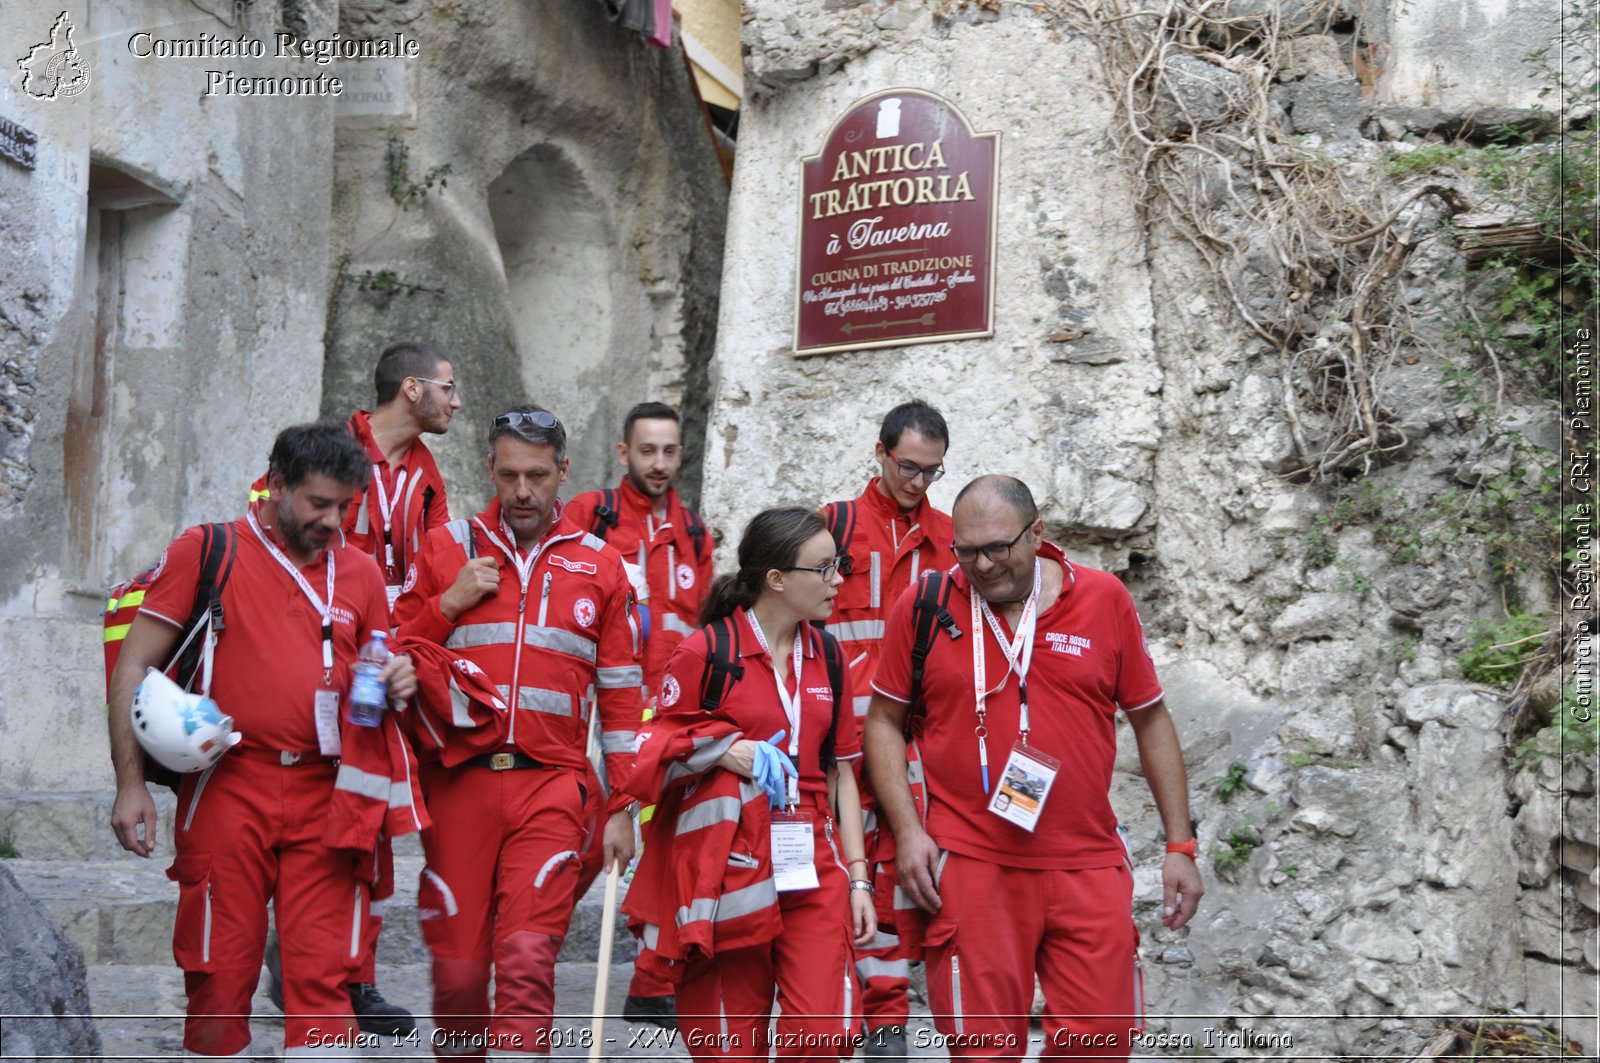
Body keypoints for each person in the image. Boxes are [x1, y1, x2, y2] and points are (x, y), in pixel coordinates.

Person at [863, 476, 1204, 1061]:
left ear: (1037, 532)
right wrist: (910, 829)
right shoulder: (924, 605)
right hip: (974, 865)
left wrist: (1181, 843)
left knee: (1101, 1047)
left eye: (999, 547)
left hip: (1087, 863)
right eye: (966, 551)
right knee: (984, 1052)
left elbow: (1151, 720)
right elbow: (882, 723)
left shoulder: (1103, 598)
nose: (984, 565)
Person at [108, 422, 421, 1058]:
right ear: (277, 485)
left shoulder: (359, 573)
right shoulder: (207, 549)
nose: (333, 520)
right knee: (218, 973)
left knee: (324, 981)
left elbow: (379, 665)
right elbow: (132, 667)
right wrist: (131, 783)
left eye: (345, 507)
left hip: (328, 793)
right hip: (229, 784)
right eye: (318, 503)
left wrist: (399, 678)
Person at [393, 404, 642, 1058]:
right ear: (489, 471)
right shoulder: (447, 549)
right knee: (458, 973)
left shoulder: (602, 567)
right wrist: (448, 604)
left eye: (537, 475)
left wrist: (623, 804)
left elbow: (619, 697)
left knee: (529, 956)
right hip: (457, 790)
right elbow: (389, 659)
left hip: (552, 788)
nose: (523, 491)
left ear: (564, 472)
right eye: (509, 476)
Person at [619, 506, 876, 1061]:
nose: (839, 580)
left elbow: (844, 775)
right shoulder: (706, 652)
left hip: (812, 857)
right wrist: (720, 750)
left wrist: (859, 880)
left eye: (841, 564)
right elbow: (647, 755)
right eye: (825, 568)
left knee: (822, 1038)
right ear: (777, 580)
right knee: (729, 1045)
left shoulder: (830, 655)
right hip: (727, 860)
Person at [253, 340, 458, 1035]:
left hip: (386, 664)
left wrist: (417, 639)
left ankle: (353, 974)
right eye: (446, 388)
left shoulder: (428, 476)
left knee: (370, 822)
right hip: (322, 660)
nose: (455, 402)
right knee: (330, 823)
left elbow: (432, 580)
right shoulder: (327, 453)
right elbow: (270, 547)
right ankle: (312, 961)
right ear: (411, 389)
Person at [565, 400, 714, 1027]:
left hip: (666, 715)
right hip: (599, 709)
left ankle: (652, 980)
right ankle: (526, 932)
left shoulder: (696, 534)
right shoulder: (589, 517)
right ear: (624, 453)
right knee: (583, 839)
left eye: (670, 451)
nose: (660, 463)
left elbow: (702, 625)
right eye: (647, 450)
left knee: (665, 846)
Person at [821, 399, 955, 1057]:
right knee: (838, 883)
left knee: (902, 884)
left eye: (932, 471)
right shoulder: (831, 530)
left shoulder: (956, 542)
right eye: (908, 466)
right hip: (838, 752)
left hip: (914, 748)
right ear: (880, 454)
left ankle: (886, 1032)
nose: (918, 482)